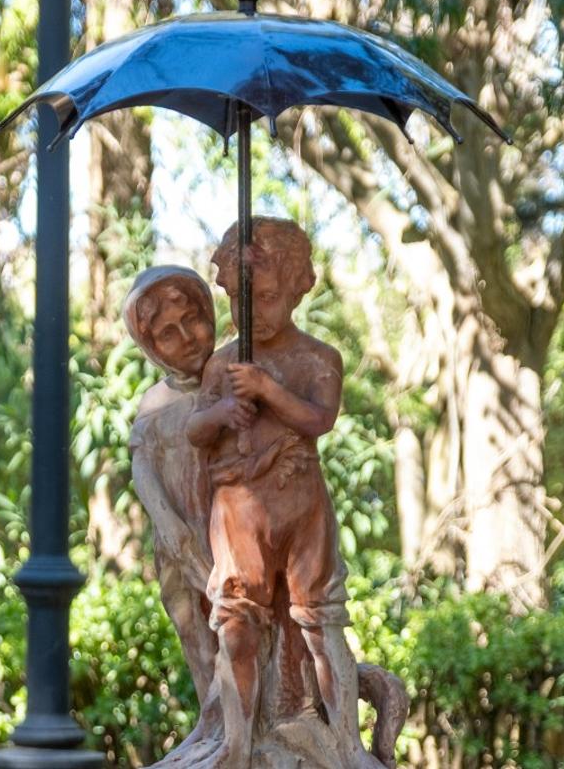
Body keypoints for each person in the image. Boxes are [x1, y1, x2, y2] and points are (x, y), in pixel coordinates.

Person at [186, 218, 382, 769]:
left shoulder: (318, 358)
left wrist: (268, 390)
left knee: (320, 621)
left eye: (267, 298)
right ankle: (237, 742)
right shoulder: (223, 362)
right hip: (239, 511)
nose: (253, 313)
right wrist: (224, 409)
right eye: (240, 299)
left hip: (300, 507)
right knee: (237, 622)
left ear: (296, 287)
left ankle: (344, 740)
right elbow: (196, 430)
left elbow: (320, 419)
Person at [124, 265, 219, 708]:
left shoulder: (239, 374)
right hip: (181, 543)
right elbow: (144, 476)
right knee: (200, 644)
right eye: (167, 333)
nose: (186, 337)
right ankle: (217, 725)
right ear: (151, 347)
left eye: (192, 319)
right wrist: (177, 538)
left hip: (240, 536)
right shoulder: (155, 407)